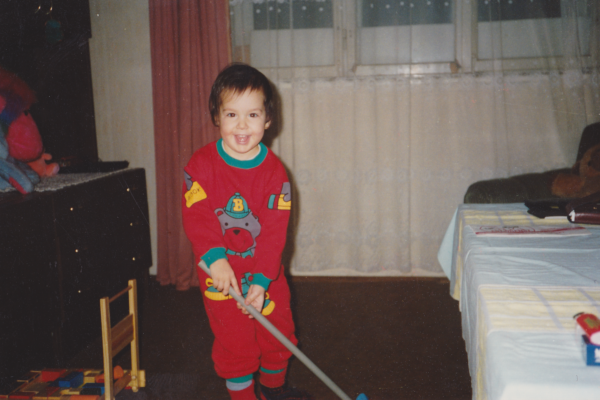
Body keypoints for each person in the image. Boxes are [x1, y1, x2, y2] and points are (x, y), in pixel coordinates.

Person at [182, 63, 313, 400]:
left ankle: (272, 389)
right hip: (220, 276)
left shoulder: (275, 173)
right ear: (216, 116)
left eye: (252, 115)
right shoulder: (200, 165)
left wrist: (262, 281)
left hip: (265, 273)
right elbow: (198, 218)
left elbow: (274, 234)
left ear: (268, 120)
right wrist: (216, 259)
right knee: (236, 344)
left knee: (278, 334)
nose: (242, 125)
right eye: (231, 115)